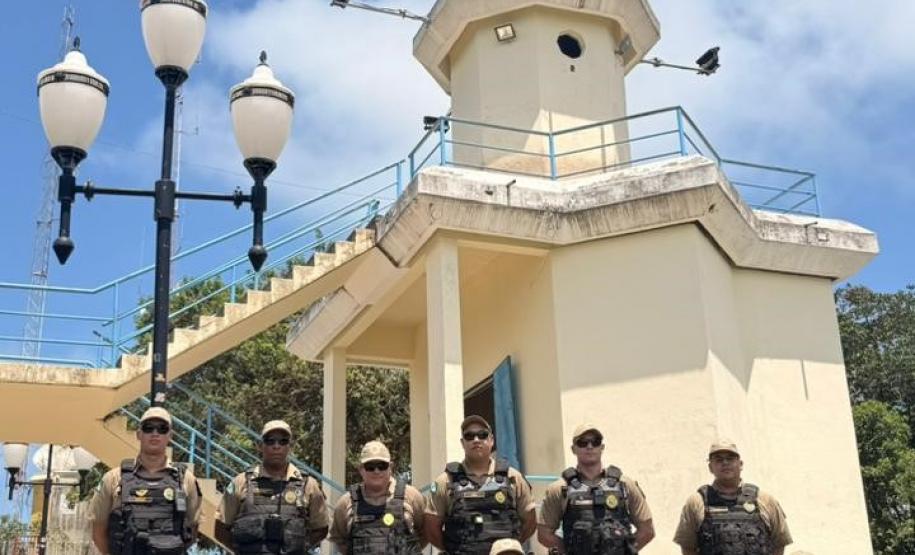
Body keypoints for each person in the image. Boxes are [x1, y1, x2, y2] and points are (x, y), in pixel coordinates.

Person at [89, 407, 202, 554]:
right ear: (139, 434)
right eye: (149, 428)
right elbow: (98, 530)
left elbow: (192, 530)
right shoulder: (113, 478)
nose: (155, 433)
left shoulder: (186, 479)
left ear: (170, 436)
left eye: (162, 428)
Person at [424, 415, 537, 555]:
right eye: (469, 436)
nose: (476, 440)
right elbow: (431, 528)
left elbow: (530, 521)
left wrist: (511, 547)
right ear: (462, 442)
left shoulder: (513, 477)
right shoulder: (445, 481)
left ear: (491, 440)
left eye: (482, 435)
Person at [538, 423, 655, 554]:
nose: (589, 446)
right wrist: (570, 551)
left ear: (602, 447)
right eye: (582, 442)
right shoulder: (560, 488)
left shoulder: (625, 485)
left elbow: (647, 530)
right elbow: (544, 534)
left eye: (595, 442)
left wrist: (625, 550)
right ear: (573, 449)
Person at [215, 420, 329, 553]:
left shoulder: (308, 485)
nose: (276, 446)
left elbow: (321, 528)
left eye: (283, 441)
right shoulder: (241, 482)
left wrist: (298, 547)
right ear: (260, 446)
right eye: (270, 441)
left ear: (290, 446)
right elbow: (220, 528)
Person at [673, 440, 792, 555]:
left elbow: (780, 542)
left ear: (740, 464)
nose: (725, 463)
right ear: (710, 467)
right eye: (718, 459)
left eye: (730, 458)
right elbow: (687, 546)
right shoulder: (696, 502)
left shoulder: (765, 500)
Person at [329, 440, 426, 555]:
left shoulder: (412, 496)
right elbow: (340, 540)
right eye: (370, 467)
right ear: (361, 469)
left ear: (390, 467)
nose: (376, 471)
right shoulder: (345, 502)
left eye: (382, 466)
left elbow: (426, 532)